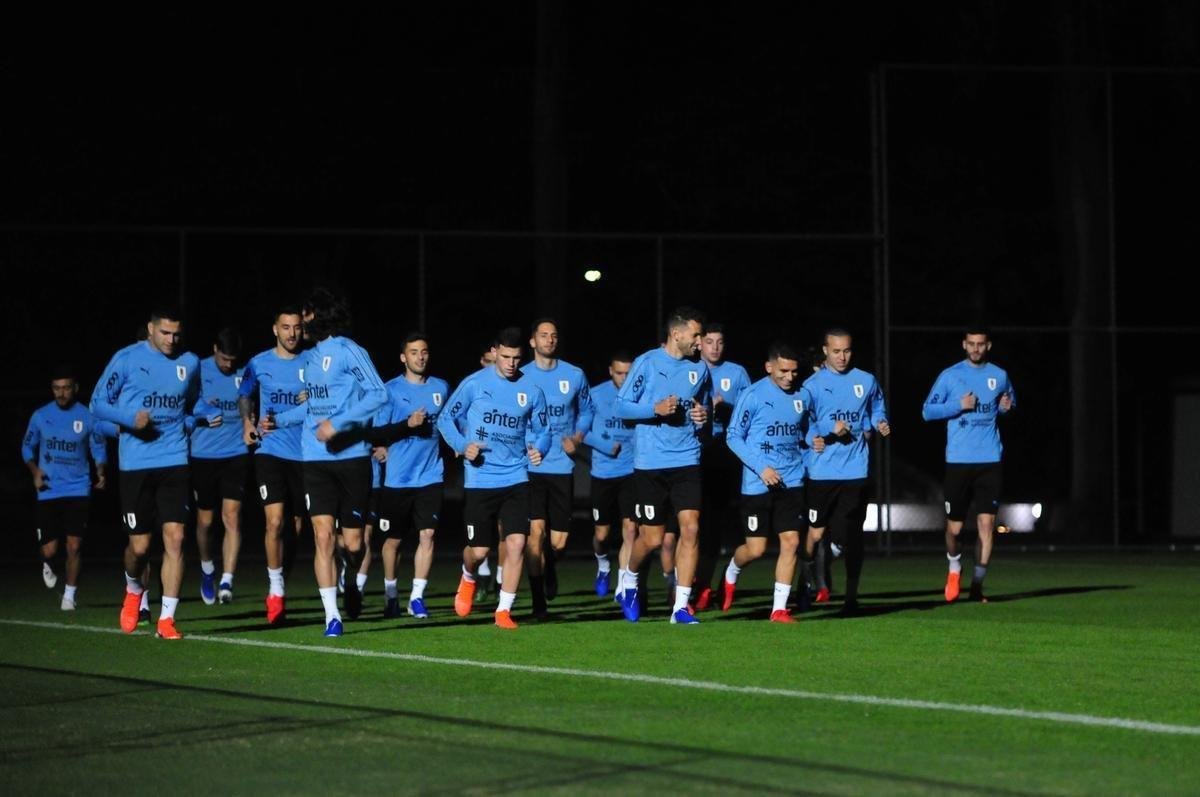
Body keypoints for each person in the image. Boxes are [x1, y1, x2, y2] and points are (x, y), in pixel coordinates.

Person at [274, 288, 388, 636]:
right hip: (314, 459)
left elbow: (379, 393)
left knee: (353, 544)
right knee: (322, 537)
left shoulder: (350, 351)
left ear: (321, 316)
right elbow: (312, 408)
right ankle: (332, 616)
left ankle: (350, 579)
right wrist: (277, 421)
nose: (301, 322)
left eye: (306, 315)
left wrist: (338, 424)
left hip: (352, 458)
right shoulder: (309, 358)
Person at [90, 306, 201, 639]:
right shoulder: (126, 359)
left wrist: (195, 419)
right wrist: (129, 419)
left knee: (176, 538)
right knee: (139, 548)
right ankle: (133, 588)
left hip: (175, 460)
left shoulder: (190, 362)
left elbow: (193, 404)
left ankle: (167, 619)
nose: (172, 340)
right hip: (136, 464)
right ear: (151, 329)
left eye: (177, 334)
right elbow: (97, 403)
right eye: (165, 333)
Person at [437, 326, 551, 629]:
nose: (511, 363)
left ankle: (503, 610)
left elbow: (544, 431)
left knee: (517, 543)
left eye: (517, 358)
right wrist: (463, 445)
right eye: (505, 357)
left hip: (516, 476)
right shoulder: (474, 384)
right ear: (494, 352)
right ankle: (468, 576)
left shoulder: (532, 391)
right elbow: (445, 418)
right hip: (480, 479)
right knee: (479, 551)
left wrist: (539, 449)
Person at [614, 306, 710, 625]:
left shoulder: (700, 368)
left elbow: (703, 409)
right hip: (651, 464)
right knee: (653, 539)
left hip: (687, 459)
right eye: (696, 335)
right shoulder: (647, 363)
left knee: (691, 528)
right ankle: (629, 580)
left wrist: (702, 416)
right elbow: (621, 407)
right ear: (676, 333)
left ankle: (680, 607)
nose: (700, 342)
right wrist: (653, 410)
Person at [921, 327, 1015, 603]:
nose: (975, 348)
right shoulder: (950, 376)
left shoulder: (999, 375)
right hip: (958, 462)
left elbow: (1009, 404)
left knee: (987, 525)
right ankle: (954, 568)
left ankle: (976, 586)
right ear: (964, 345)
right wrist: (958, 405)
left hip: (990, 461)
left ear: (988, 346)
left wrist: (1006, 407)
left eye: (980, 344)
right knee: (955, 529)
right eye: (971, 343)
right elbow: (927, 411)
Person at [801, 328, 890, 615]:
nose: (842, 357)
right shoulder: (811, 386)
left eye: (847, 351)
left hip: (855, 471)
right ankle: (806, 582)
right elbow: (802, 423)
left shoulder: (866, 380)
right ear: (825, 351)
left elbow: (876, 409)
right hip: (822, 473)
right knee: (816, 534)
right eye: (836, 351)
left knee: (850, 537)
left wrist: (879, 422)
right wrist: (826, 430)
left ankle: (851, 598)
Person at [362, 333, 449, 620]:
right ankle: (391, 595)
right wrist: (388, 442)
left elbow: (450, 422)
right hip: (398, 479)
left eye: (424, 352)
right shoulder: (389, 391)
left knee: (428, 535)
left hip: (431, 475)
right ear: (403, 357)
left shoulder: (441, 388)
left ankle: (417, 598)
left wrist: (459, 443)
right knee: (393, 541)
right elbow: (377, 432)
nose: (420, 357)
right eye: (414, 352)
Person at [722, 342, 812, 621]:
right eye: (783, 371)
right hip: (757, 483)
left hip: (792, 481)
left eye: (794, 371)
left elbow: (806, 432)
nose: (789, 377)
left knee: (791, 541)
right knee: (756, 549)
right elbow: (733, 436)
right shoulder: (752, 395)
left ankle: (779, 609)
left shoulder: (803, 396)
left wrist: (814, 441)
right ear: (769, 367)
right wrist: (762, 468)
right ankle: (732, 571)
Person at [22, 364, 113, 609]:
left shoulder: (87, 416)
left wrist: (101, 470)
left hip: (78, 489)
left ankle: (69, 596)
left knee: (74, 545)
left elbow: (98, 447)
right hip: (48, 490)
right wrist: (35, 471)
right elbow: (27, 447)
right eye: (56, 388)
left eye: (66, 388)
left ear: (75, 388)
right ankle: (47, 563)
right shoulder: (41, 416)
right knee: (50, 550)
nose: (61, 393)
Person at [239, 305, 308, 624]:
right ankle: (275, 589)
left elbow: (329, 394)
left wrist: (314, 394)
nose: (291, 333)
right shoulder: (259, 362)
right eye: (286, 327)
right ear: (275, 329)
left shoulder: (312, 362)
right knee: (275, 522)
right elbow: (245, 393)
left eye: (296, 327)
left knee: (296, 528)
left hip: (304, 453)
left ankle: (281, 581)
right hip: (270, 450)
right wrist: (246, 421)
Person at [522, 319, 594, 619]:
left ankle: (550, 564)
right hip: (531, 467)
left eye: (553, 335)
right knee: (534, 535)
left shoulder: (574, 375)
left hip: (562, 467)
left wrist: (577, 437)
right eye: (543, 335)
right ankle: (538, 603)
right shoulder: (521, 376)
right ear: (532, 341)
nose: (549, 339)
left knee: (558, 543)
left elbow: (588, 411)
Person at [693, 322, 752, 610]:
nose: (715, 347)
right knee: (691, 526)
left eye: (720, 342)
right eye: (709, 341)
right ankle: (689, 584)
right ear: (699, 343)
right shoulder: (688, 370)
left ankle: (709, 585)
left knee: (718, 525)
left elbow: (752, 411)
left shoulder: (737, 373)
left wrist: (728, 409)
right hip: (693, 455)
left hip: (725, 458)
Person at [190, 327, 248, 605]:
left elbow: (252, 403)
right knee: (206, 521)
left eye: (232, 360)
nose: (228, 365)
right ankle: (207, 569)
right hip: (203, 455)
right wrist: (202, 409)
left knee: (232, 517)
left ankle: (227, 579)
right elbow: (183, 404)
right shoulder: (197, 369)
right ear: (214, 349)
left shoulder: (245, 373)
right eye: (224, 359)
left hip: (236, 453)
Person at [582, 351, 637, 598]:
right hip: (603, 473)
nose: (624, 378)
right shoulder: (595, 395)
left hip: (631, 472)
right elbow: (579, 430)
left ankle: (624, 584)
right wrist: (604, 445)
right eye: (619, 373)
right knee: (602, 534)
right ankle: (603, 564)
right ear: (610, 371)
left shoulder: (641, 394)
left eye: (628, 373)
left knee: (630, 530)